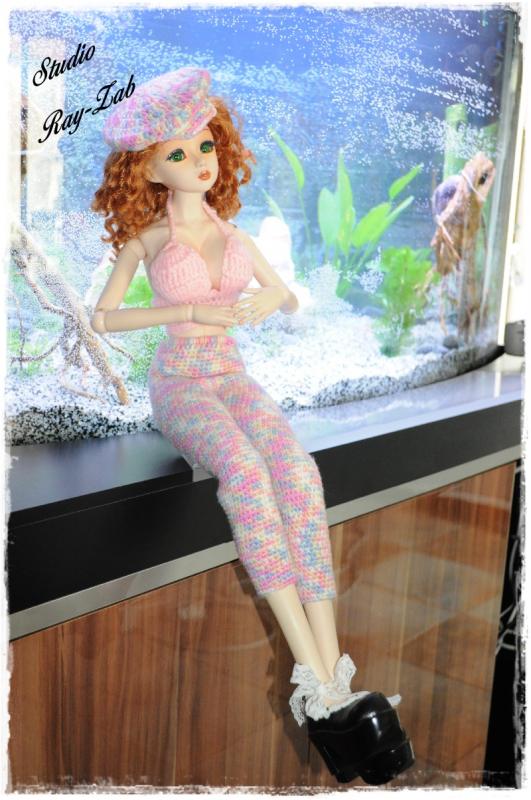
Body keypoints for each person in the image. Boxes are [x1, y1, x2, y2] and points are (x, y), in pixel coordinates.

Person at [90, 66, 414, 785]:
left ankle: (335, 676)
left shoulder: (232, 232)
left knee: (296, 471)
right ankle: (316, 682)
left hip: (232, 374)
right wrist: (187, 311)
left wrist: (272, 301)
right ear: (148, 169)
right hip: (180, 382)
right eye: (178, 154)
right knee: (243, 471)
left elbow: (288, 295)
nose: (198, 162)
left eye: (205, 146)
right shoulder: (147, 240)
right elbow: (103, 318)